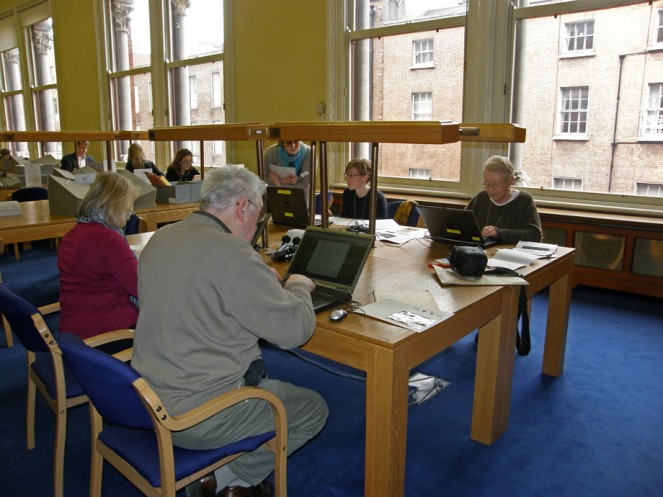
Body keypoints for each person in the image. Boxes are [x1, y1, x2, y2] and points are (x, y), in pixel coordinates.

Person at [131, 165, 328, 497]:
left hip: (147, 397)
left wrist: (259, 283)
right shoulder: (233, 253)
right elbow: (296, 330)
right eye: (258, 213)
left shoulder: (161, 237)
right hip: (198, 415)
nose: (256, 225)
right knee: (313, 408)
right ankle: (226, 478)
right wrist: (297, 287)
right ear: (242, 207)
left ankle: (220, 468)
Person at [58, 172, 139, 340]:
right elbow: (141, 288)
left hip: (73, 331)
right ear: (115, 206)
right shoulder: (109, 239)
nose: (130, 214)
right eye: (128, 208)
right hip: (107, 333)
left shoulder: (73, 234)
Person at [466, 155, 542, 243]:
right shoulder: (481, 197)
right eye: (487, 184)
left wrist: (498, 233)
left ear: (510, 181)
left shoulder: (524, 200)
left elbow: (535, 235)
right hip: (480, 253)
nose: (491, 189)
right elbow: (461, 224)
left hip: (511, 254)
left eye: (496, 184)